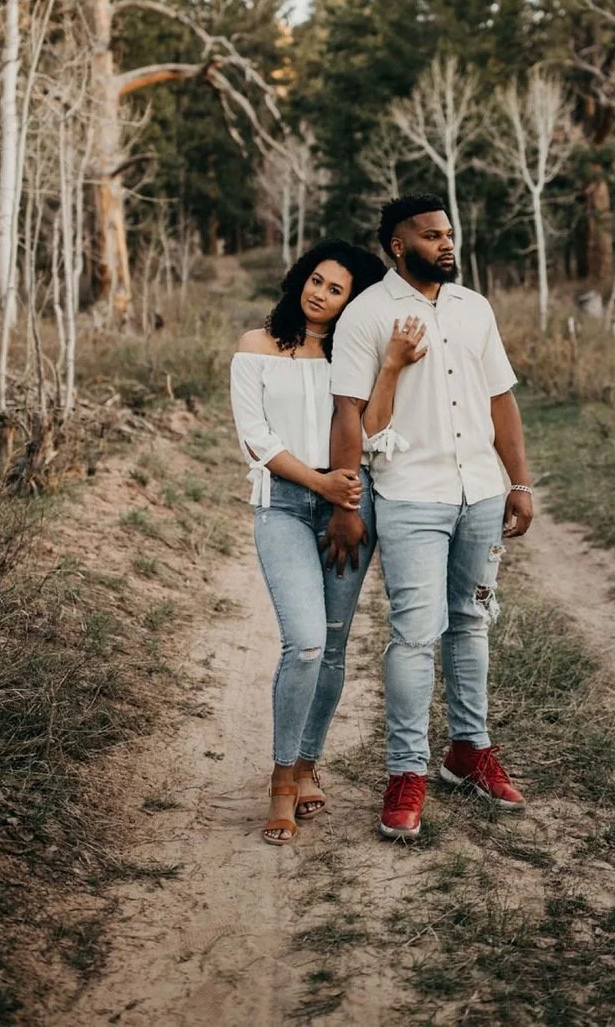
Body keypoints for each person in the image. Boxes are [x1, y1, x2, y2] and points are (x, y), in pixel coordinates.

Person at [327, 194, 535, 841]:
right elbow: (351, 420)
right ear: (397, 245)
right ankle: (405, 771)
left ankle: (468, 751)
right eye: (430, 235)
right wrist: (347, 501)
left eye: (449, 232)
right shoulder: (366, 315)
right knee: (415, 633)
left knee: (472, 621)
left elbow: (501, 401)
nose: (447, 243)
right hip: (410, 494)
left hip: (479, 490)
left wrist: (519, 481)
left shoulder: (475, 308)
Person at [230, 239, 427, 846]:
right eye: (316, 280)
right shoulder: (256, 346)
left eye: (336, 288)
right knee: (307, 642)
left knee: (336, 647)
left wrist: (390, 365)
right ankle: (283, 780)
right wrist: (320, 482)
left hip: (350, 508)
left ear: (351, 301)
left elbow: (373, 430)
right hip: (286, 505)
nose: (319, 293)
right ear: (300, 278)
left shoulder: (353, 357)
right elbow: (255, 437)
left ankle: (311, 763)